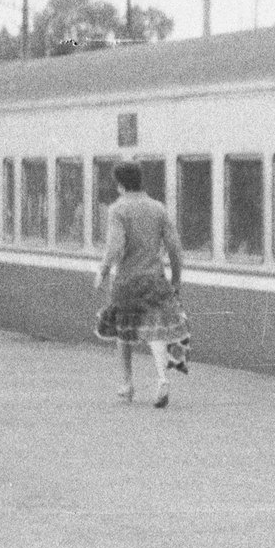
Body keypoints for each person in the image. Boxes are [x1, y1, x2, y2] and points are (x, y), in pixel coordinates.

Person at [93, 161, 190, 406]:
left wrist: (103, 270)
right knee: (156, 330)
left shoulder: (118, 209)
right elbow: (174, 248)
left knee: (123, 330)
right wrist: (176, 279)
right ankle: (162, 378)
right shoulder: (158, 208)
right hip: (154, 279)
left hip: (126, 281)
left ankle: (127, 384)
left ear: (120, 184)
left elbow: (115, 246)